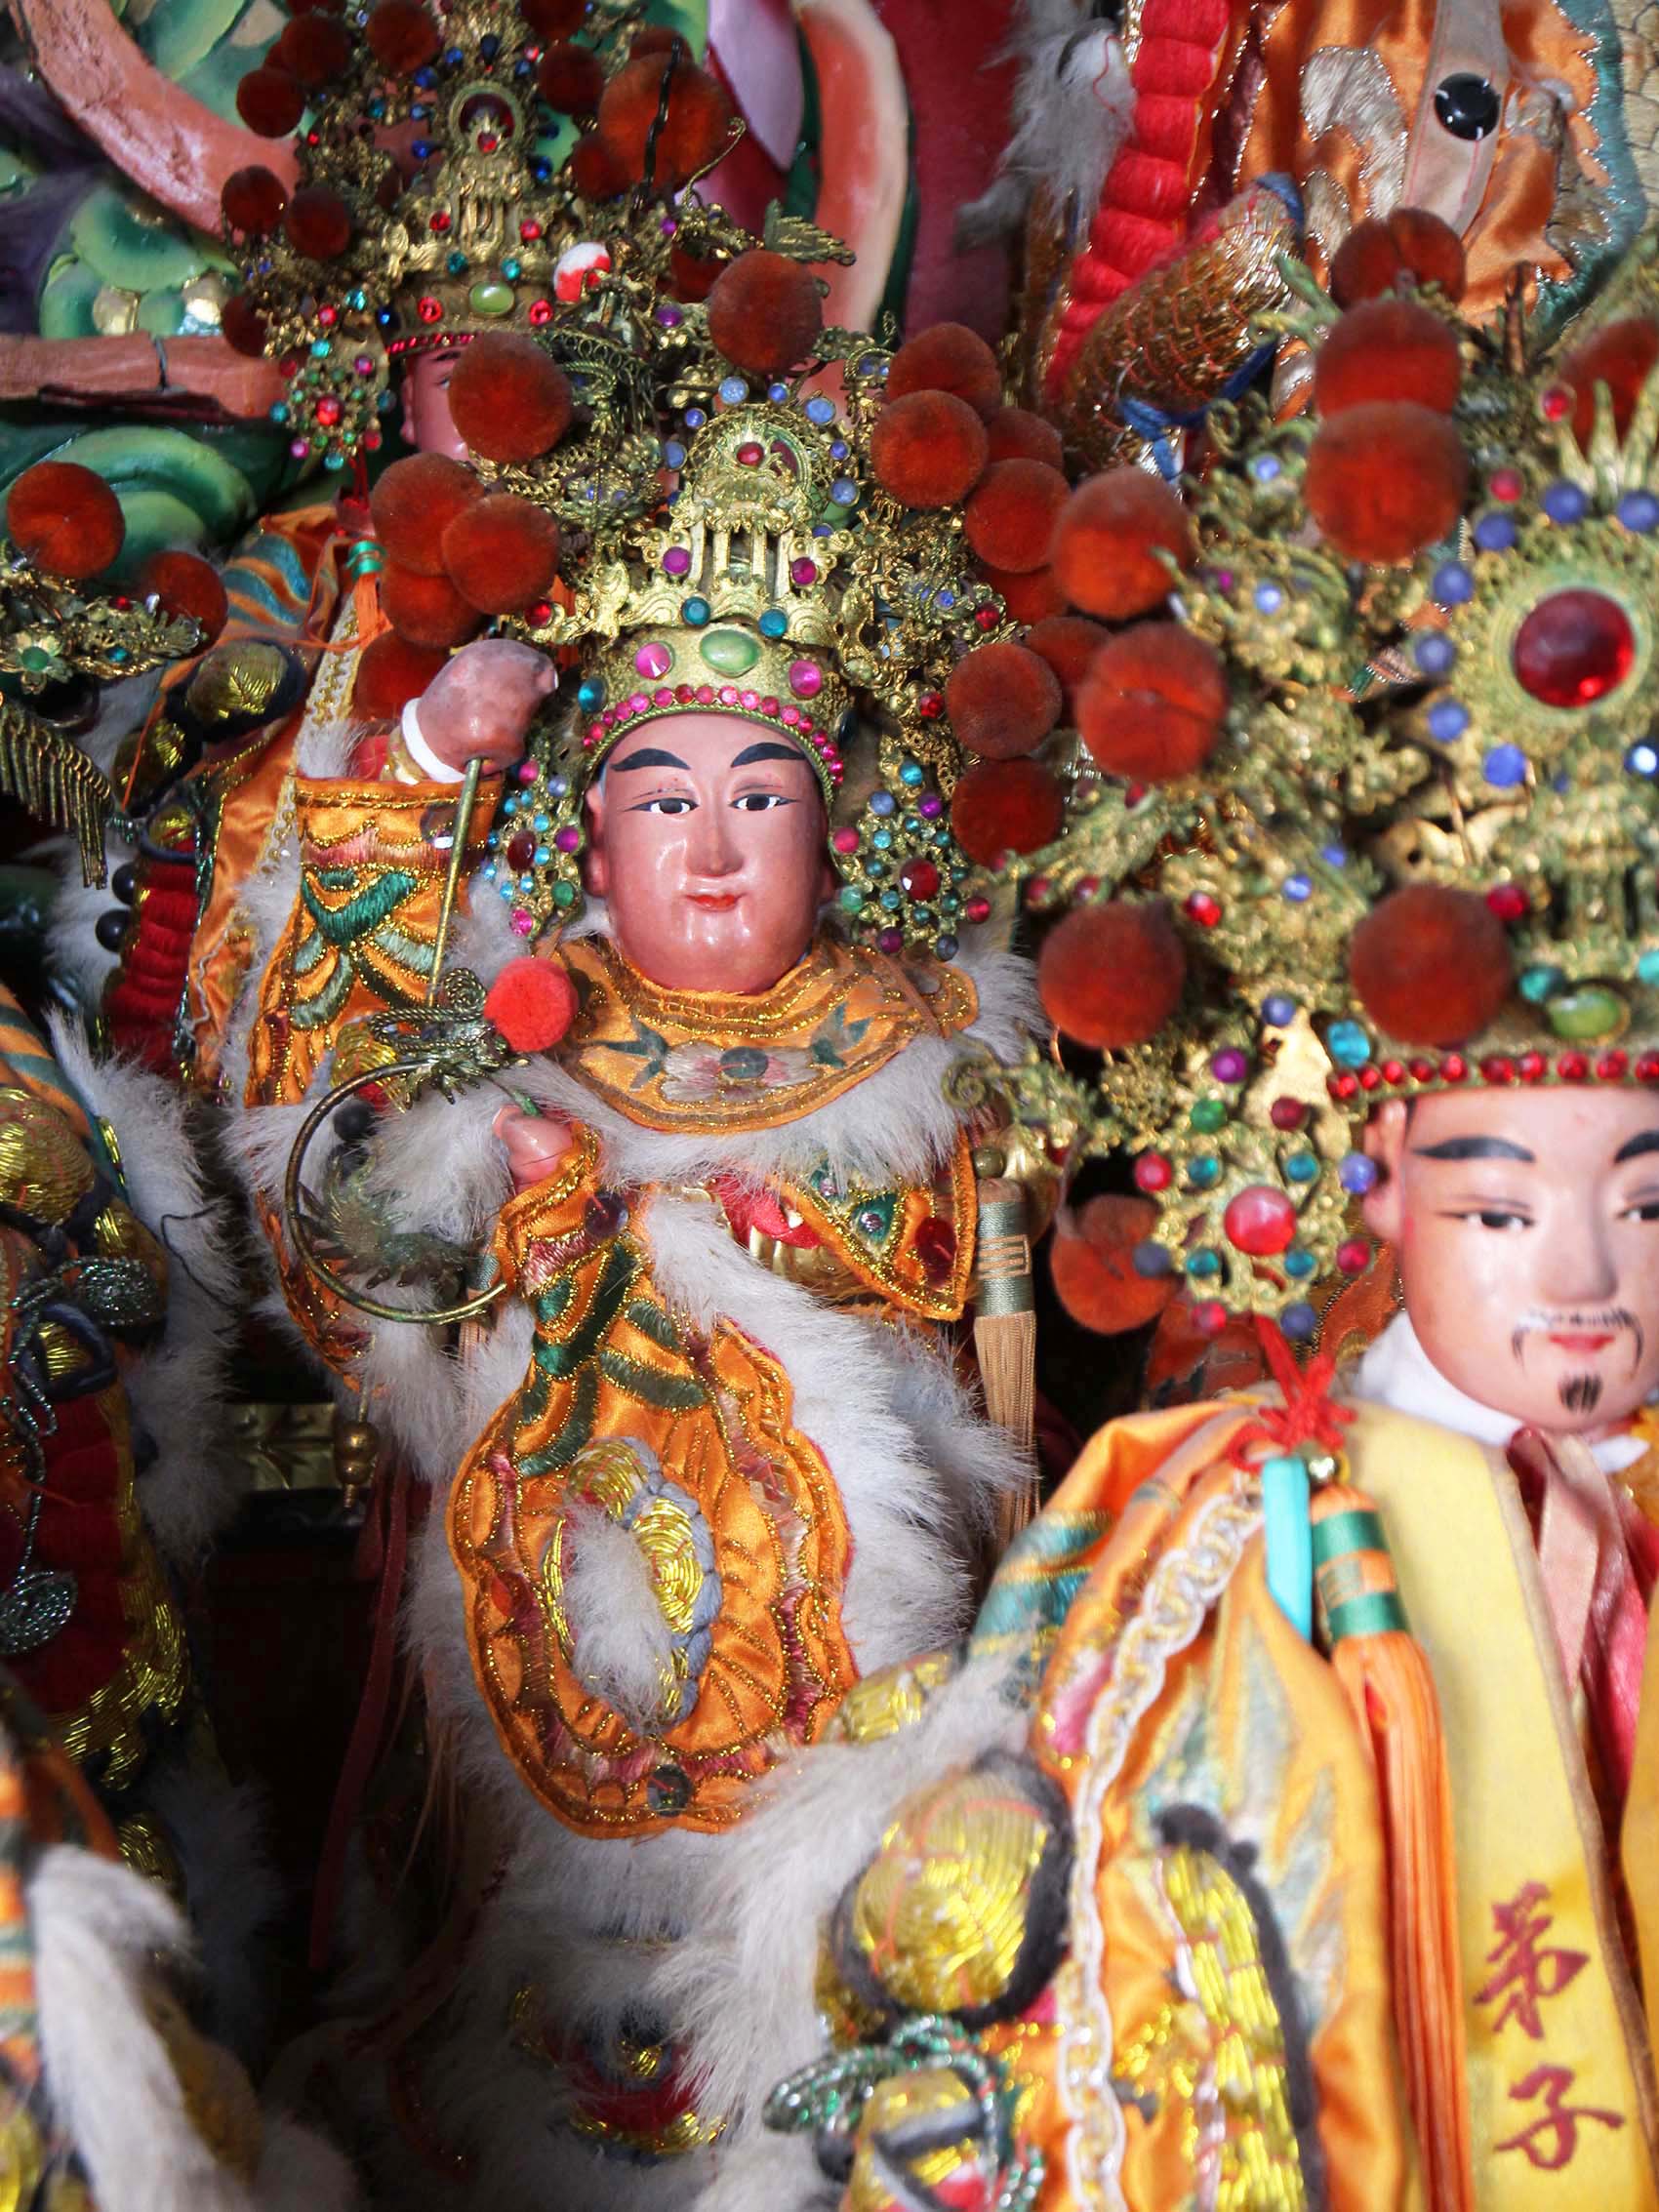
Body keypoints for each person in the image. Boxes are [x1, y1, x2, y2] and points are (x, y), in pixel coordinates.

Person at [662, 226, 1659, 2208]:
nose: (1581, 1281)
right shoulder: (1217, 1533)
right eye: (1493, 1209)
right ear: (1362, 1181)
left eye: (1645, 1204)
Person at [227, 219, 1062, 2206]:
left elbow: (967, 1303)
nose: (709, 845)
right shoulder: (512, 1029)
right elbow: (330, 1203)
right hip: (547, 1626)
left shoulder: (916, 1037)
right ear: (590, 845)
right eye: (662, 798)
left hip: (841, 1642)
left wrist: (779, 1237)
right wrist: (501, 1203)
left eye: (760, 798)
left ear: (831, 839)